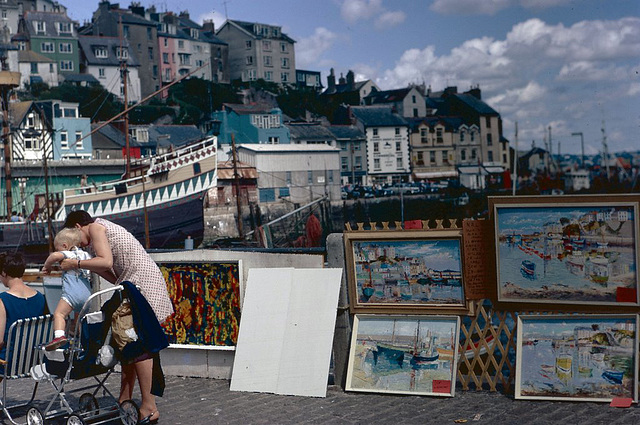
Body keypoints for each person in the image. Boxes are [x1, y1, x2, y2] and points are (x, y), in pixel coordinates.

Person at [60, 211, 173, 425]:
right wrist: (88, 262)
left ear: (78, 226)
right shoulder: (98, 234)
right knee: (126, 341)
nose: (77, 243)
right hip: (136, 284)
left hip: (142, 285)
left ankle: (149, 406)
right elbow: (111, 273)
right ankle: (125, 399)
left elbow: (105, 261)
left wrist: (75, 264)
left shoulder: (95, 227)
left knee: (135, 343)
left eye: (74, 236)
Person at [41, 228, 95, 351]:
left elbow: (54, 256)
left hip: (72, 294)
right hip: (87, 295)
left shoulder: (70, 254)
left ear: (65, 246)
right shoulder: (86, 255)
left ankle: (59, 336)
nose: (57, 251)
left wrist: (47, 266)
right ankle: (83, 341)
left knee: (59, 314)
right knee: (80, 319)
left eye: (58, 248)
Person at [0, 252, 46, 372]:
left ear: (4, 273)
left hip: (9, 362)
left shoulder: (3, 300)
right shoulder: (40, 297)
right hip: (36, 360)